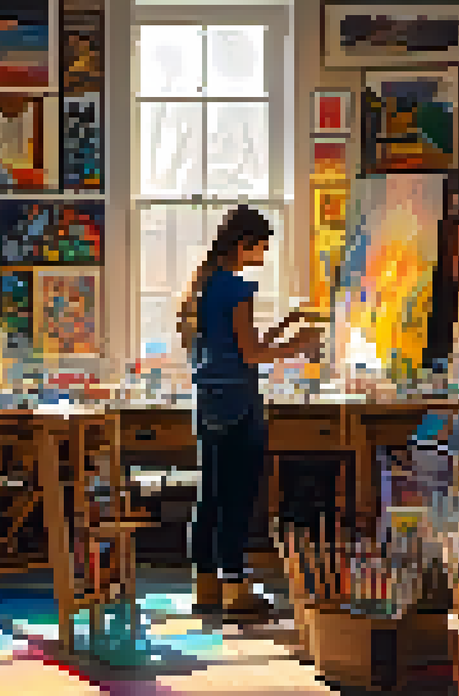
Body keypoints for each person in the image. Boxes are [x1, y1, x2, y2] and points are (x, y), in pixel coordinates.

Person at [179, 205, 323, 618]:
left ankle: (205, 585)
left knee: (210, 495)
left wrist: (284, 326)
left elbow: (232, 343)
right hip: (239, 406)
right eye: (260, 247)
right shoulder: (238, 288)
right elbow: (252, 354)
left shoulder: (204, 285)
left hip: (208, 402)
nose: (263, 255)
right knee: (238, 499)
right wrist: (302, 343)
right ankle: (236, 588)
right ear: (243, 245)